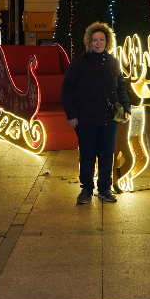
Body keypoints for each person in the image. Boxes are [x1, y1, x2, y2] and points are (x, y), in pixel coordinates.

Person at [61, 22, 131, 205]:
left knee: (107, 154)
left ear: (107, 41)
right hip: (85, 118)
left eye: (101, 39)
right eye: (94, 39)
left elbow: (121, 87)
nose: (98, 43)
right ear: (89, 42)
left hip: (109, 118)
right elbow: (67, 89)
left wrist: (126, 108)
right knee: (87, 154)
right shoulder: (79, 63)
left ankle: (105, 189)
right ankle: (86, 189)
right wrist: (71, 115)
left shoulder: (113, 62)